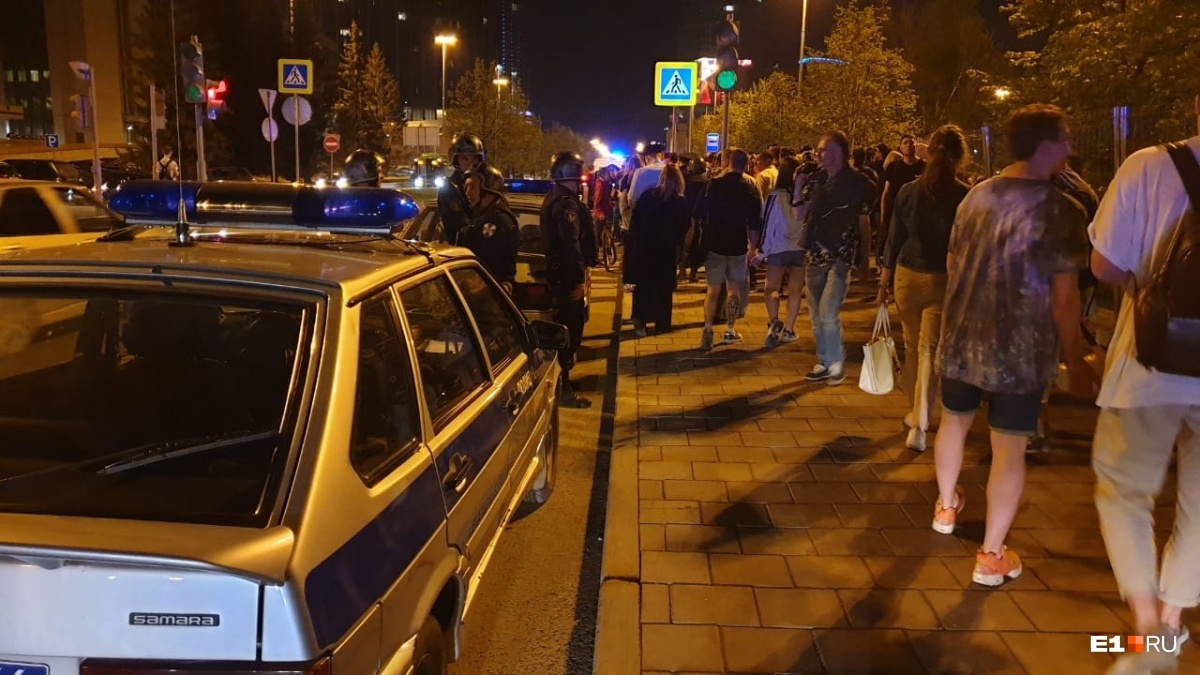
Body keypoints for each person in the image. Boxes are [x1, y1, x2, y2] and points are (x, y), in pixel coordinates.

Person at [930, 104, 1097, 588]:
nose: (1070, 147)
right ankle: (991, 554)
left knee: (954, 422)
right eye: (1064, 138)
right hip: (1020, 351)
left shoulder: (976, 198)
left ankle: (945, 506)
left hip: (963, 336)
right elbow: (1065, 300)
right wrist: (1076, 360)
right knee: (1008, 448)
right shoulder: (1063, 211)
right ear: (1046, 147)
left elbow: (953, 260)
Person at [1089, 124, 1200, 673]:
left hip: (1150, 362)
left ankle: (1145, 626)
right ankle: (1174, 619)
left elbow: (1104, 265)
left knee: (1124, 488)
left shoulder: (1149, 165)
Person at [876, 125, 971, 452]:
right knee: (931, 349)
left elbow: (894, 237)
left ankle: (914, 410)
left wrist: (884, 279)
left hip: (906, 276)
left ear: (928, 152)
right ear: (959, 157)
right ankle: (921, 420)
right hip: (942, 279)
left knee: (913, 345)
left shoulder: (908, 192)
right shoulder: (964, 195)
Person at [801, 132, 873, 385]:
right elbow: (803, 214)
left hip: (841, 254)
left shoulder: (857, 183)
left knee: (828, 310)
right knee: (816, 313)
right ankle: (823, 360)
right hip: (814, 254)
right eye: (818, 150)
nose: (819, 154)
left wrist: (865, 261)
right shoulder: (815, 180)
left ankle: (836, 361)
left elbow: (864, 223)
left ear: (839, 153)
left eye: (824, 150)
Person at [692, 147, 762, 351]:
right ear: (746, 165)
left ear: (728, 162)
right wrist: (753, 248)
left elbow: (698, 212)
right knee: (734, 288)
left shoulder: (713, 185)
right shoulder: (749, 190)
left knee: (713, 290)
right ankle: (730, 329)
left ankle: (707, 328)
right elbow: (754, 224)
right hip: (737, 244)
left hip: (714, 243)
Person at [541, 151, 596, 409]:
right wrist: (579, 281)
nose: (581, 184)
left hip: (560, 274)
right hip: (567, 277)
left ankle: (565, 380)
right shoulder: (565, 205)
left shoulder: (557, 199)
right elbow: (570, 244)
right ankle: (563, 388)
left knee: (568, 329)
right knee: (569, 332)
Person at [625, 165, 690, 336]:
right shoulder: (679, 201)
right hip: (667, 249)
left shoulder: (647, 196)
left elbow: (636, 222)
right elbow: (684, 226)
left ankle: (640, 321)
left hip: (645, 247)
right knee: (664, 288)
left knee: (644, 285)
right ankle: (662, 323)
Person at [753, 156, 806, 347]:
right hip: (799, 247)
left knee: (771, 289)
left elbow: (766, 223)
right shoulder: (804, 196)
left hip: (778, 247)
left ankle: (774, 320)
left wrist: (761, 250)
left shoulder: (774, 196)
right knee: (795, 291)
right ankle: (790, 330)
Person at [459, 165, 518, 292]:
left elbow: (491, 264)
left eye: (473, 187)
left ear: (488, 192)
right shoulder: (483, 216)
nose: (467, 193)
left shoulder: (496, 222)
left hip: (487, 295)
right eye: (466, 187)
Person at [877, 134, 927, 262]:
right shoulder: (894, 167)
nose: (909, 145)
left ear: (916, 146)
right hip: (897, 214)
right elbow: (886, 192)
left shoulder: (924, 167)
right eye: (905, 143)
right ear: (900, 147)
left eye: (911, 142)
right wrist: (884, 216)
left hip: (919, 214)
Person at [439, 133, 485, 245]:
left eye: (474, 158)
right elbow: (459, 224)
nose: (470, 163)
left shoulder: (487, 184)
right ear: (456, 161)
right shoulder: (449, 189)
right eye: (465, 158)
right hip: (459, 251)